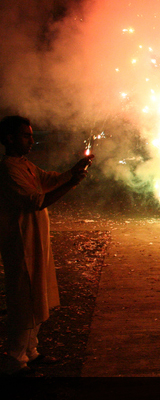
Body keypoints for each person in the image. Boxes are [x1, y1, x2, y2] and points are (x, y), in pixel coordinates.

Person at [0, 115, 93, 375]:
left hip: (36, 241)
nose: (31, 140)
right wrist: (72, 183)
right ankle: (15, 359)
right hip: (21, 243)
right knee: (24, 298)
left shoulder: (24, 165)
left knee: (37, 294)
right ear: (9, 138)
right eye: (25, 135)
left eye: (31, 135)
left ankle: (31, 351)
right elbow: (36, 200)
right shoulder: (8, 169)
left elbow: (50, 180)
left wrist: (73, 172)